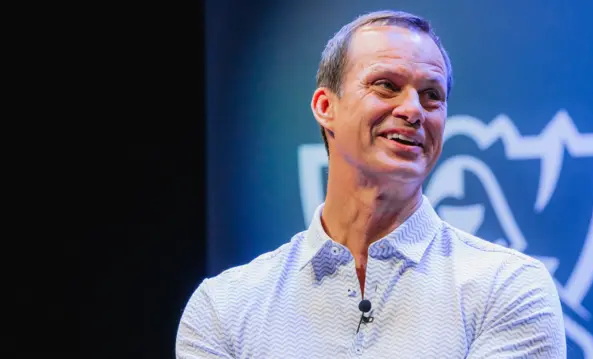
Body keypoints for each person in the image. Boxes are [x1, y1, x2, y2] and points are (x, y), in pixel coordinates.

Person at [176, 10, 566, 358]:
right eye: (386, 85)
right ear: (326, 107)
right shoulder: (223, 308)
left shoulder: (508, 288)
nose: (413, 109)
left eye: (432, 95)